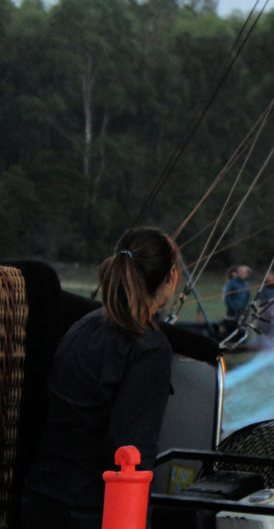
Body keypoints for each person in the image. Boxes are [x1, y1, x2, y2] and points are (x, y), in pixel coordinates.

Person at [21, 226, 180, 529]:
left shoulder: (84, 325)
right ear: (170, 278)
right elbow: (130, 451)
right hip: (89, 511)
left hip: (39, 498)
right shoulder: (149, 348)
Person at [222, 264, 251, 330]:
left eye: (245, 273)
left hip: (243, 311)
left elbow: (248, 297)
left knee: (242, 328)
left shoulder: (246, 284)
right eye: (242, 272)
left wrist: (247, 308)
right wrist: (232, 307)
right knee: (231, 327)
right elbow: (227, 297)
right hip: (233, 311)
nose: (243, 274)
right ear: (238, 273)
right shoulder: (232, 283)